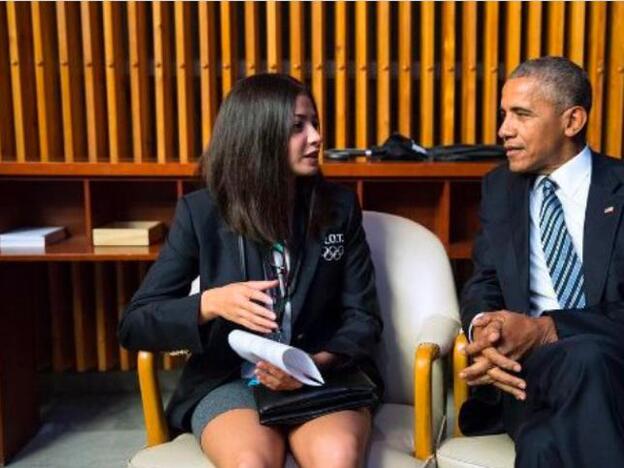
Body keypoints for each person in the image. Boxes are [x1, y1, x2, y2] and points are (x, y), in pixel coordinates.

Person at [118, 73, 383, 468]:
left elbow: (363, 317)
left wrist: (313, 364)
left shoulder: (339, 208)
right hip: (231, 379)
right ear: (258, 135)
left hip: (320, 375)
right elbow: (134, 324)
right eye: (297, 127)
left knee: (338, 457)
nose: (315, 137)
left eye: (314, 124)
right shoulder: (201, 213)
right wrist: (210, 302)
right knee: (250, 462)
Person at [458, 56, 624, 467]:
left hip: (613, 365)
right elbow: (485, 281)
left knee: (540, 446)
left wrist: (549, 329)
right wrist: (485, 327)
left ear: (572, 121)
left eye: (521, 115)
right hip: (528, 377)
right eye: (504, 115)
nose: (503, 131)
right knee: (578, 366)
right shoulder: (499, 189)